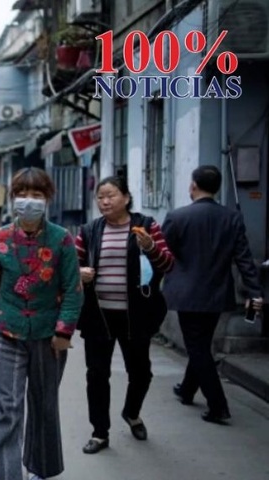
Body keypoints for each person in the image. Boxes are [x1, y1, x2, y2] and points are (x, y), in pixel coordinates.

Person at [0, 167, 83, 480]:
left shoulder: (62, 240)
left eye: (36, 195)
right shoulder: (1, 239)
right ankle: (7, 476)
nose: (29, 201)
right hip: (7, 332)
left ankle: (40, 469)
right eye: (23, 194)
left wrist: (64, 333)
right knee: (7, 409)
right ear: (13, 199)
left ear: (47, 199)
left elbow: (73, 291)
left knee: (43, 406)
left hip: (49, 337)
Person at [75, 176, 174, 454]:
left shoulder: (146, 226)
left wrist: (151, 248)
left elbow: (168, 264)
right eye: (100, 197)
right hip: (98, 317)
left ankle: (132, 413)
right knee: (96, 375)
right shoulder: (89, 230)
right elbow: (71, 263)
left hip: (137, 316)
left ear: (126, 198)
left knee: (141, 372)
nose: (104, 202)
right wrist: (79, 273)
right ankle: (100, 432)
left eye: (111, 195)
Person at [162, 165, 264, 424]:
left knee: (197, 348)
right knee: (201, 345)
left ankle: (218, 405)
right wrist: (255, 291)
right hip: (216, 292)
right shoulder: (231, 218)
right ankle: (186, 389)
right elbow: (243, 259)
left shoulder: (177, 217)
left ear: (193, 185)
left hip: (186, 294)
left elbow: (161, 256)